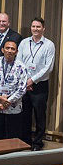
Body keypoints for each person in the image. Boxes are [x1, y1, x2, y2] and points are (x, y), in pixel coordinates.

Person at [17, 17, 55, 150]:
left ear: (43, 28)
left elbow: (48, 67)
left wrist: (32, 80)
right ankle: (26, 141)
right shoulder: (23, 43)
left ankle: (38, 142)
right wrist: (25, 80)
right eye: (33, 26)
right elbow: (19, 62)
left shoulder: (49, 45)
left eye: (38, 27)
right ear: (31, 27)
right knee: (25, 114)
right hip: (24, 84)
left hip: (40, 86)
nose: (35, 29)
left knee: (40, 115)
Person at [0, 39, 29, 140]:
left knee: (13, 138)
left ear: (17, 52)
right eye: (7, 48)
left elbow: (22, 88)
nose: (10, 51)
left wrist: (8, 101)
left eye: (12, 49)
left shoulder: (21, 67)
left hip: (13, 108)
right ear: (2, 49)